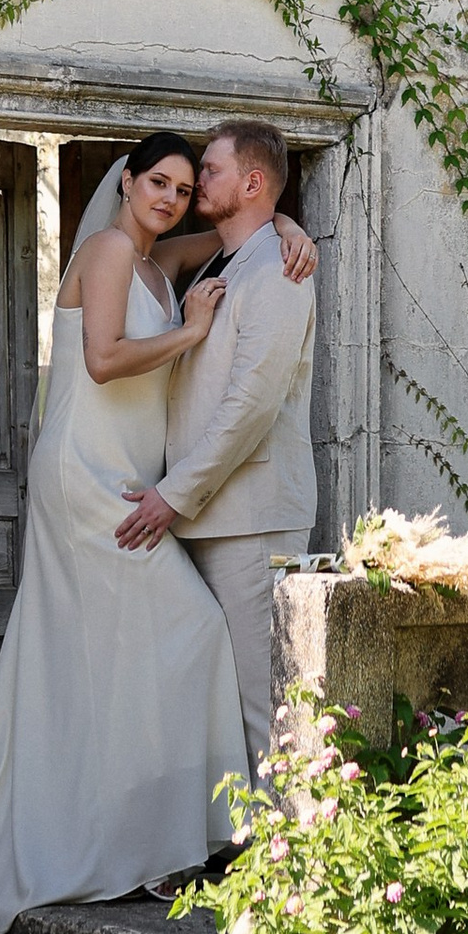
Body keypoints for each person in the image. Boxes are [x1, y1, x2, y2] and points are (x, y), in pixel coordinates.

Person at [0, 130, 310, 934]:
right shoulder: (101, 250)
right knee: (192, 628)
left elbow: (243, 231)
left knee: (138, 648)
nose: (172, 197)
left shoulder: (162, 264)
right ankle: (157, 841)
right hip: (87, 473)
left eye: (183, 185)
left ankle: (141, 837)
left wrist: (284, 228)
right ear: (125, 184)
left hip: (130, 478)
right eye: (158, 183)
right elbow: (100, 361)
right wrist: (190, 334)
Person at [115, 120, 316, 783]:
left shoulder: (281, 272)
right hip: (205, 516)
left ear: (252, 182)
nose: (197, 181)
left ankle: (288, 871)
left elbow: (250, 408)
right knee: (214, 702)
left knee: (265, 704)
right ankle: (238, 858)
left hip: (252, 519)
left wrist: (171, 495)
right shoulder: (216, 260)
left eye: (212, 169)